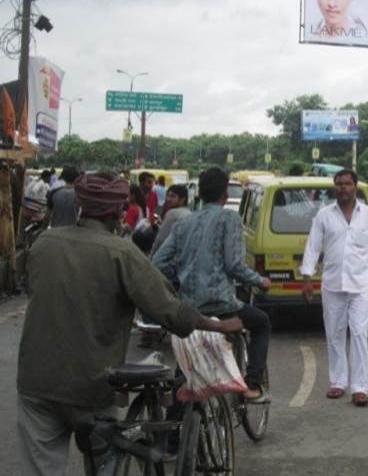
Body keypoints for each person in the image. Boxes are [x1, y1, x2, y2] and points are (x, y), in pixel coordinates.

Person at [16, 172, 243, 475]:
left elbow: (33, 285)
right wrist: (218, 326)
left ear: (82, 207)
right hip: (90, 387)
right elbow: (171, 311)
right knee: (103, 462)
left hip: (36, 383)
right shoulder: (121, 252)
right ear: (117, 212)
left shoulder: (44, 242)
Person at [152, 166, 272, 401]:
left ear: (199, 194)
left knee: (186, 365)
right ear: (225, 194)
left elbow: (158, 262)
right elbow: (234, 265)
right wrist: (261, 281)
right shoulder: (230, 217)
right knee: (262, 323)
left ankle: (176, 429)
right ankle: (253, 385)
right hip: (222, 305)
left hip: (189, 308)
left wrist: (181, 279)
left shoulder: (184, 222)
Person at [300, 169, 368, 407]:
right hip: (333, 284)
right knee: (335, 333)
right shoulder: (324, 216)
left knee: (358, 332)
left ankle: (360, 387)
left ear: (355, 186)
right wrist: (307, 279)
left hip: (361, 286)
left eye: (347, 184)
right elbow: (313, 247)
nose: (342, 188)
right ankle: (338, 382)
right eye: (338, 184)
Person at [150, 184, 191, 256]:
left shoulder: (172, 213)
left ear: (182, 200)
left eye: (173, 196)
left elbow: (160, 239)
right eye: (168, 195)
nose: (168, 199)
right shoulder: (189, 212)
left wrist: (151, 256)